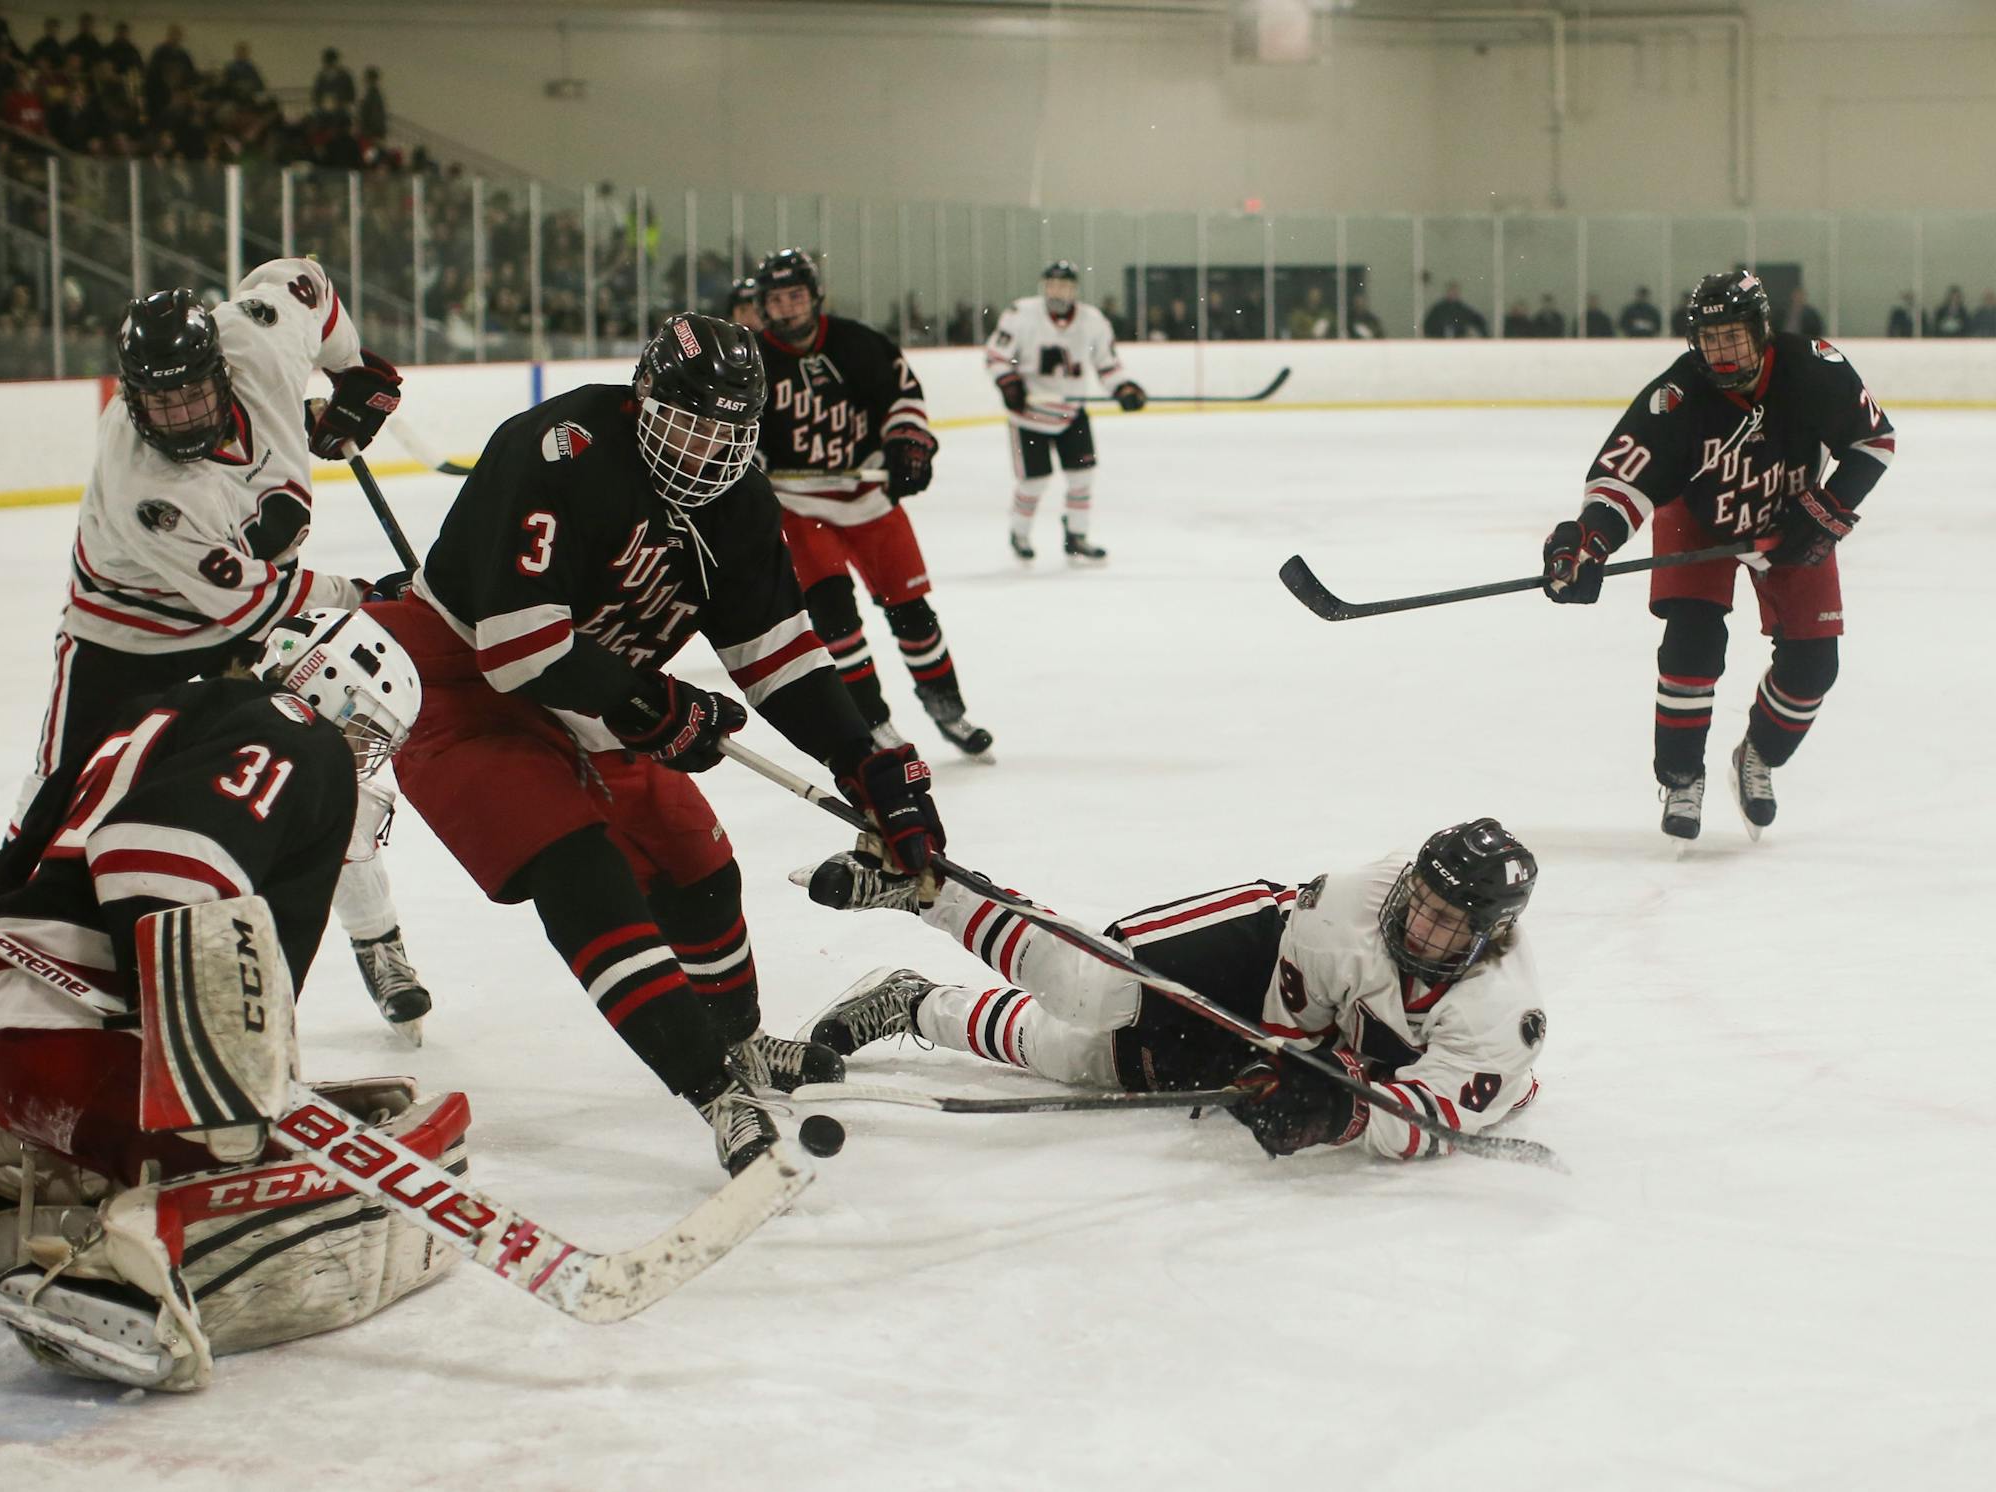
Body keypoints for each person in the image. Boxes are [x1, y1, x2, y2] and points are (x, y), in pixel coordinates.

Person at [364, 313, 947, 1178]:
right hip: (462, 687)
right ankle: (712, 1087)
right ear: (642, 400)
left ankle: (740, 1045)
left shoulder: (741, 501)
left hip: (595, 696)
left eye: (728, 432)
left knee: (696, 864)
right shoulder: (559, 447)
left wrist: (863, 762)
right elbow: (518, 648)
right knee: (578, 869)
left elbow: (776, 654)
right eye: (688, 422)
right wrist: (655, 705)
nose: (706, 451)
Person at [0, 607, 458, 1393]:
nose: (358, 760)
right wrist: (215, 1069)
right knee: (267, 1155)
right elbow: (162, 863)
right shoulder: (294, 727)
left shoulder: (160, 714)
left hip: (1, 1037)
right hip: (90, 1044)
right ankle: (125, 1277)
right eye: (365, 735)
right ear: (329, 691)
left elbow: (8, 880)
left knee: (166, 1142)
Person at [18, 259, 434, 1031]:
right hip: (126, 637)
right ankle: (17, 934)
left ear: (222, 370)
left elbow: (305, 282)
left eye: (193, 392)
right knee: (62, 793)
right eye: (158, 400)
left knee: (318, 767)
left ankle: (380, 942)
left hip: (242, 609)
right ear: (129, 395)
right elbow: (251, 601)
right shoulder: (147, 486)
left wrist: (353, 373)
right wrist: (362, 593)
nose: (177, 415)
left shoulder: (259, 339)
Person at [797, 818, 1545, 1163]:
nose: (1418, 924)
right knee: (1093, 992)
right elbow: (1292, 1022)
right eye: (1418, 898)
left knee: (1074, 1054)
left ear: (1490, 934)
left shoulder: (1500, 1017)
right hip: (1270, 949)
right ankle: (928, 889)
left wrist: (1339, 1113)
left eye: (1447, 922)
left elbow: (1433, 1121)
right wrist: (1291, 1071)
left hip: (1325, 1040)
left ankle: (912, 1001)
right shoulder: (1344, 906)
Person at [1539, 271, 1896, 840]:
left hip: (1790, 521)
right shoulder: (1676, 396)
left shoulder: (1811, 368)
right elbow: (1621, 482)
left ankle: (1756, 754)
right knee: (1693, 643)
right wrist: (1588, 542)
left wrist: (1824, 509)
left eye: (1733, 337)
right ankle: (1681, 776)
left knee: (1814, 667)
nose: (1722, 353)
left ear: (1761, 331)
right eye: (1710, 339)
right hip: (1699, 520)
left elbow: (1873, 442)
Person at [753, 247, 994, 759]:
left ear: (815, 296)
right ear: (763, 306)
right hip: (801, 510)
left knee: (914, 616)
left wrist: (908, 447)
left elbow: (902, 400)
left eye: (797, 295)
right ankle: (873, 720)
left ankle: (946, 706)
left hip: (870, 503)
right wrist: (749, 462)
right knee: (835, 619)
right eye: (777, 299)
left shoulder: (859, 344)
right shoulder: (752, 360)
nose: (789, 308)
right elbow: (733, 426)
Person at [984, 261, 1146, 566]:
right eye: (1052, 284)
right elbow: (996, 357)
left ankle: (1076, 535)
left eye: (1064, 286)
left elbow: (1107, 365)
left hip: (1071, 412)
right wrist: (1008, 383)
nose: (1057, 291)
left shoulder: (1093, 320)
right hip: (1029, 416)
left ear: (1075, 290)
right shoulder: (1021, 314)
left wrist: (1123, 389)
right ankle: (1020, 533)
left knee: (1082, 476)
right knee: (1034, 482)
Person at [1422, 282, 1487, 338]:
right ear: (1447, 292)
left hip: (1459, 342)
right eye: (1451, 291)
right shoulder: (1438, 309)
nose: (1453, 294)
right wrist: (1431, 337)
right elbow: (1428, 325)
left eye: (1455, 292)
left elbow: (1478, 321)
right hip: (1440, 341)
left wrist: (1484, 336)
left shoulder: (1463, 309)